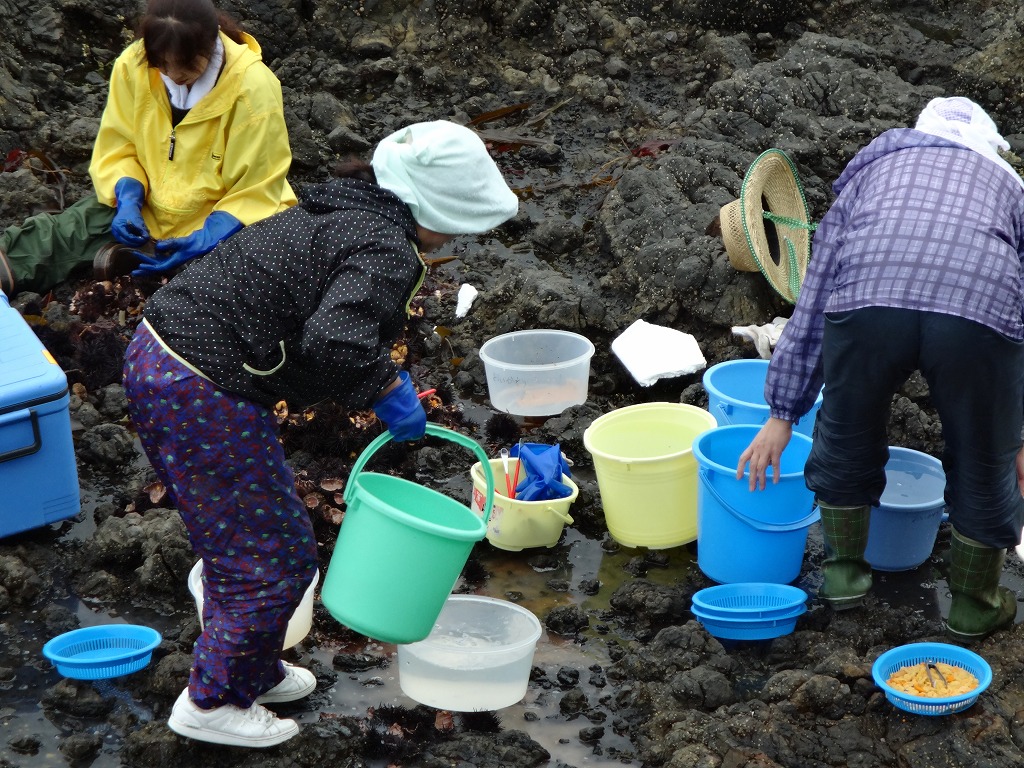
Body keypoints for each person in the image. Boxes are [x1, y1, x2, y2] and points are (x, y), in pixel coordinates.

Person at [122, 119, 518, 747]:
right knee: (270, 557)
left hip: (162, 356)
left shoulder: (343, 210)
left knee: (261, 536)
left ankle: (250, 666)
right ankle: (212, 702)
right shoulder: (386, 250)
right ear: (440, 208)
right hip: (200, 386)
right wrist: (388, 390)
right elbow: (334, 338)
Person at [735, 96, 1024, 642]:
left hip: (870, 301)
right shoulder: (1009, 187)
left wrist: (782, 412)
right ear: (987, 146)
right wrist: (1016, 437)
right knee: (985, 460)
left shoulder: (877, 168)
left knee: (847, 428)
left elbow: (816, 298)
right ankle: (972, 607)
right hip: (977, 311)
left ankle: (844, 579)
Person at [0, 0, 295, 297]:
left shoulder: (253, 88)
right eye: (162, 64)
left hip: (222, 221)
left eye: (186, 64)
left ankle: (156, 266)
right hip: (149, 205)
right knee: (62, 234)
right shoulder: (134, 65)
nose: (173, 74)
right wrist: (127, 196)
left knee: (240, 279)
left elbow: (258, 186)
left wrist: (208, 237)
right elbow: (119, 145)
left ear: (210, 43)